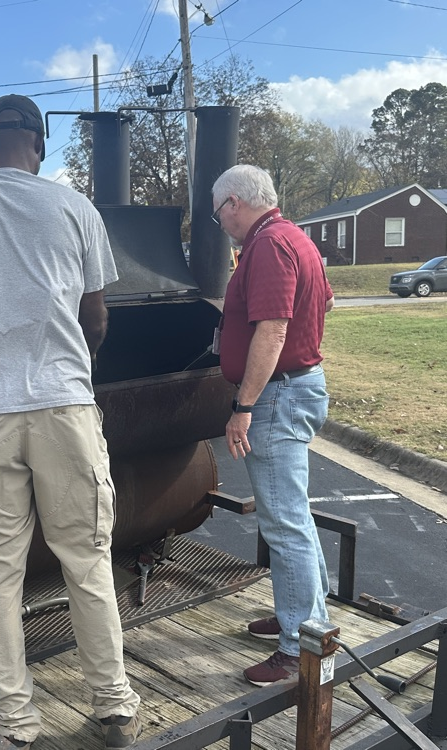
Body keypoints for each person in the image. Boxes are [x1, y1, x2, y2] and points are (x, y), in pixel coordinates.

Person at [0, 94, 141, 748]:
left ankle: (15, 724)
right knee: (87, 563)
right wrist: (77, 359)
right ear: (40, 145)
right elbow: (96, 317)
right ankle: (115, 708)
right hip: (63, 406)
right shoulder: (74, 207)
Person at [211, 164, 335, 687]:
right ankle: (306, 620)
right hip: (295, 387)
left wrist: (243, 405)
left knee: (284, 526)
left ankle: (296, 653)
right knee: (293, 520)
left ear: (235, 202)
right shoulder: (295, 238)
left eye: (219, 215)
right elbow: (323, 302)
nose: (221, 224)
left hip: (277, 397)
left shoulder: (266, 246)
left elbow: (273, 331)